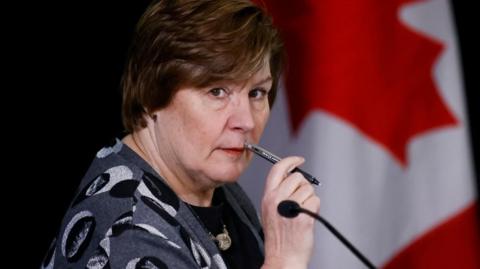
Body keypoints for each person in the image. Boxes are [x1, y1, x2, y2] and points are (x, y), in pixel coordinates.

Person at [41, 0, 320, 268]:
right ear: (152, 94)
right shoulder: (128, 234)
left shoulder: (208, 182)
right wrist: (284, 261)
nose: (246, 121)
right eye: (216, 91)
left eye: (256, 93)